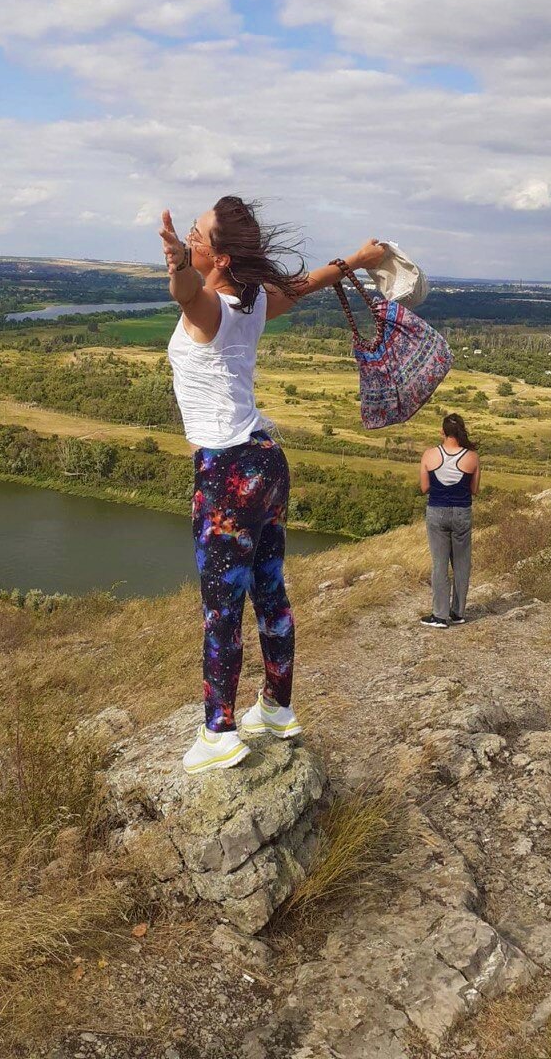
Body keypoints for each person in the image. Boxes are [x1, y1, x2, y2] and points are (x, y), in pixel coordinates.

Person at [159, 196, 385, 774]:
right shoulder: (253, 301)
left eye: (197, 232)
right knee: (270, 590)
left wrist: (178, 264)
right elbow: (308, 283)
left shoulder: (207, 307)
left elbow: (187, 293)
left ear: (219, 254)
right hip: (265, 461)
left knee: (221, 609)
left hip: (227, 473)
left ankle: (219, 731)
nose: (190, 234)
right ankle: (278, 707)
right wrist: (357, 257)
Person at [419, 414, 480, 630]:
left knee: (439, 565)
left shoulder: (429, 454)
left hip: (437, 511)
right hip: (462, 512)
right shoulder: (472, 456)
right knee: (462, 564)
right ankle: (458, 613)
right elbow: (474, 490)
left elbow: (424, 488)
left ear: (442, 432)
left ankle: (439, 615)